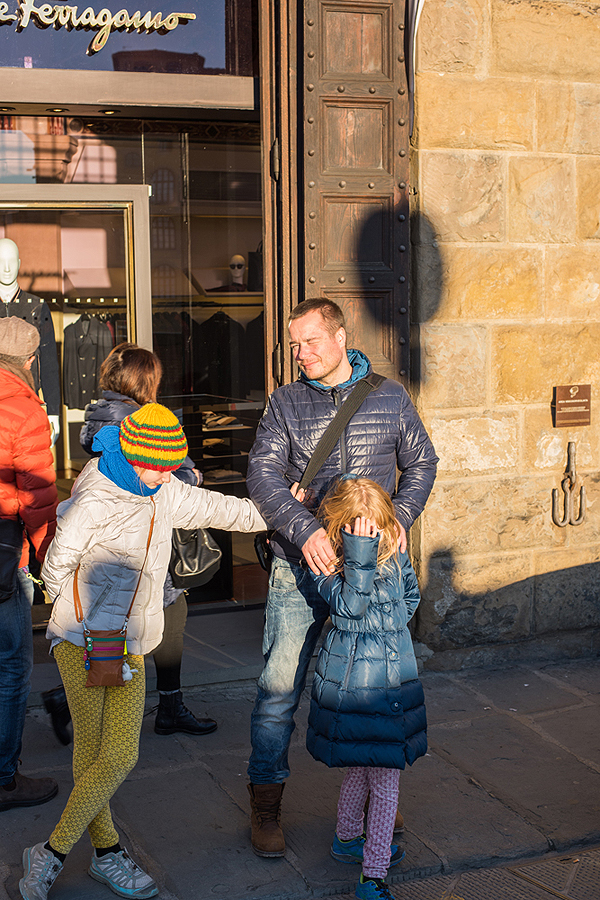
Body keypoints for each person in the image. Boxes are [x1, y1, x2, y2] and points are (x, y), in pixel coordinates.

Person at [19, 403, 265, 900]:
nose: (165, 475)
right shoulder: (95, 500)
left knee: (114, 756)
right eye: (158, 466)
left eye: (171, 466)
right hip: (83, 643)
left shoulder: (164, 490)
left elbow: (222, 509)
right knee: (100, 754)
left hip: (130, 645)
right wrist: (91, 623)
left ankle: (59, 852)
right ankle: (84, 853)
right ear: (133, 456)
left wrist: (284, 510)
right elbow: (55, 570)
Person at [245, 298, 437, 857]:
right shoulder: (285, 403)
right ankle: (266, 804)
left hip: (372, 569)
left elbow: (422, 463)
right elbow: (263, 476)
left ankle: (374, 798)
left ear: (340, 337)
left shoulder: (390, 396)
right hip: (299, 568)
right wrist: (305, 531)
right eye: (294, 344)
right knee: (279, 691)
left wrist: (399, 519)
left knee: (375, 687)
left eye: (310, 341)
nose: (300, 353)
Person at [78, 341, 216, 736]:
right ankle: (169, 708)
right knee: (170, 615)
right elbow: (172, 474)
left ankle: (73, 704)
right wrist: (191, 475)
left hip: (111, 539)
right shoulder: (140, 422)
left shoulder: (97, 418)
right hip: (145, 537)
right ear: (145, 382)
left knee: (115, 623)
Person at [298, 475, 426, 900]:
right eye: (364, 529)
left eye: (379, 526)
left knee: (366, 769)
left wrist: (392, 628)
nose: (375, 534)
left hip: (393, 680)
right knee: (384, 783)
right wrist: (359, 553)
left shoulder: (393, 552)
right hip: (358, 687)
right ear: (343, 528)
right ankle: (373, 875)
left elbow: (410, 596)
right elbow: (350, 606)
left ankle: (348, 838)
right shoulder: (327, 561)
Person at [0, 317, 59, 813]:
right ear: (30, 361)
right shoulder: (24, 409)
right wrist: (52, 560)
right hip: (4, 556)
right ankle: (4, 779)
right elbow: (36, 499)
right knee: (12, 667)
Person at [0, 238, 61, 445]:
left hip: (28, 402)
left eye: (11, 261)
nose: (6, 268)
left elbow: (49, 362)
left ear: (19, 263)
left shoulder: (37, 307)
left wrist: (53, 411)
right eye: (1, 261)